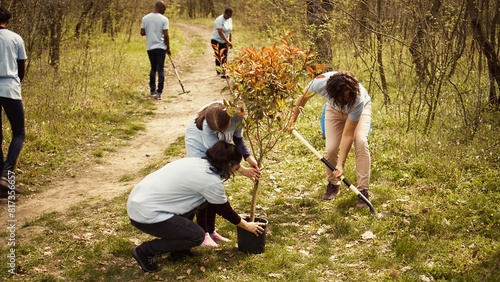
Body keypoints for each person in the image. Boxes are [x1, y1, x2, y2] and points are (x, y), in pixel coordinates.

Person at [127, 141, 265, 273]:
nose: (235, 170)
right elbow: (224, 210)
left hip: (139, 201)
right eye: (236, 167)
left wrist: (236, 217)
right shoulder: (210, 180)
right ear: (229, 164)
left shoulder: (197, 162)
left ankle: (179, 250)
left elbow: (216, 204)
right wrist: (247, 226)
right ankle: (145, 251)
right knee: (196, 236)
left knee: (202, 201)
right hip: (146, 214)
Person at [289, 71, 372, 208]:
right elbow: (303, 98)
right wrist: (292, 120)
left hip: (360, 111)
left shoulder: (357, 98)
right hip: (334, 111)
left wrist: (341, 164)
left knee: (361, 142)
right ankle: (333, 184)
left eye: (348, 96)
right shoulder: (319, 83)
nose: (347, 99)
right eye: (344, 98)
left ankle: (363, 191)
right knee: (330, 149)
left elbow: (348, 134)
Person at [185, 101, 261, 247]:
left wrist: (248, 157)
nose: (221, 134)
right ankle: (204, 233)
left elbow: (238, 138)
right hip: (200, 148)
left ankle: (212, 231)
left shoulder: (237, 114)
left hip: (218, 150)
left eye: (223, 131)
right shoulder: (207, 125)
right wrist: (243, 170)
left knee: (215, 185)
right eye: (217, 132)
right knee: (206, 188)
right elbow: (218, 157)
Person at [0, 7, 27, 198]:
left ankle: (1, 182)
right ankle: (6, 173)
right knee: (18, 132)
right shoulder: (15, 38)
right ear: (7, 21)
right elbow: (21, 68)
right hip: (9, 88)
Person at [141, 1, 171, 100]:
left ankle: (152, 90)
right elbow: (166, 35)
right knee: (160, 69)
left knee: (153, 68)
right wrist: (168, 48)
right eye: (164, 9)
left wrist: (151, 32)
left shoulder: (145, 18)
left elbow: (142, 32)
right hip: (161, 47)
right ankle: (159, 92)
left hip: (150, 47)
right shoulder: (164, 19)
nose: (165, 11)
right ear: (160, 7)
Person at [211, 8, 233, 78]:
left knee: (225, 56)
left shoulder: (230, 20)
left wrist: (230, 41)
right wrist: (227, 41)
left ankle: (224, 72)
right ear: (225, 13)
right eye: (228, 15)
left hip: (224, 40)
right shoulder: (219, 20)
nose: (229, 16)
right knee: (219, 56)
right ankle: (219, 72)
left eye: (231, 15)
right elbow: (220, 32)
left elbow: (229, 31)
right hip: (216, 40)